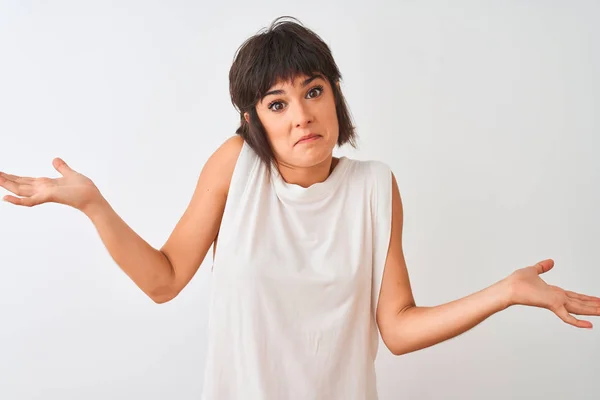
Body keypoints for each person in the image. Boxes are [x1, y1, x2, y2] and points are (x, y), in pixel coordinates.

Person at [1, 16, 598, 400]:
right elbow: (165, 280)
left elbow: (397, 329)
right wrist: (94, 205)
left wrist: (507, 292)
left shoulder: (375, 186)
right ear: (252, 119)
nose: (302, 115)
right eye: (277, 103)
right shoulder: (236, 167)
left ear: (334, 94)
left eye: (313, 91)